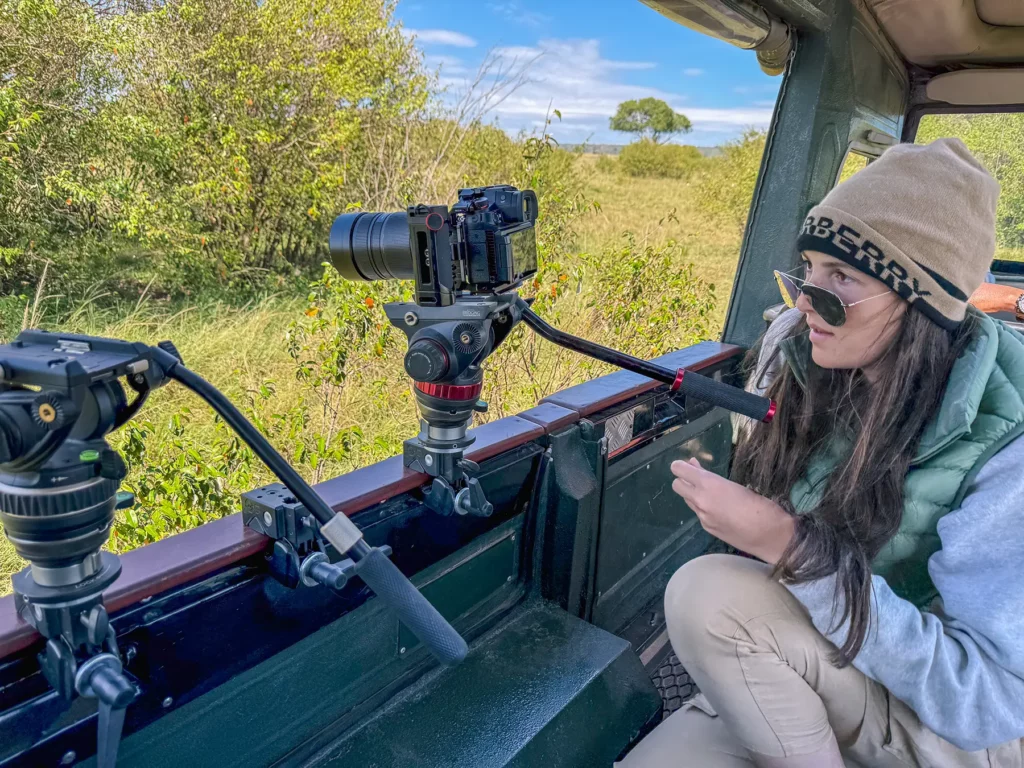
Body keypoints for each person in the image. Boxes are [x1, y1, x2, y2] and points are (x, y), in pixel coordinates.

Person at [620, 139, 1024, 767]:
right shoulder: (826, 365)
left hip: (942, 727)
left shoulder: (1007, 452)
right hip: (824, 655)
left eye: (841, 279)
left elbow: (984, 702)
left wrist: (791, 547)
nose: (806, 301)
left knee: (706, 593)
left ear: (922, 300)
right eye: (806, 270)